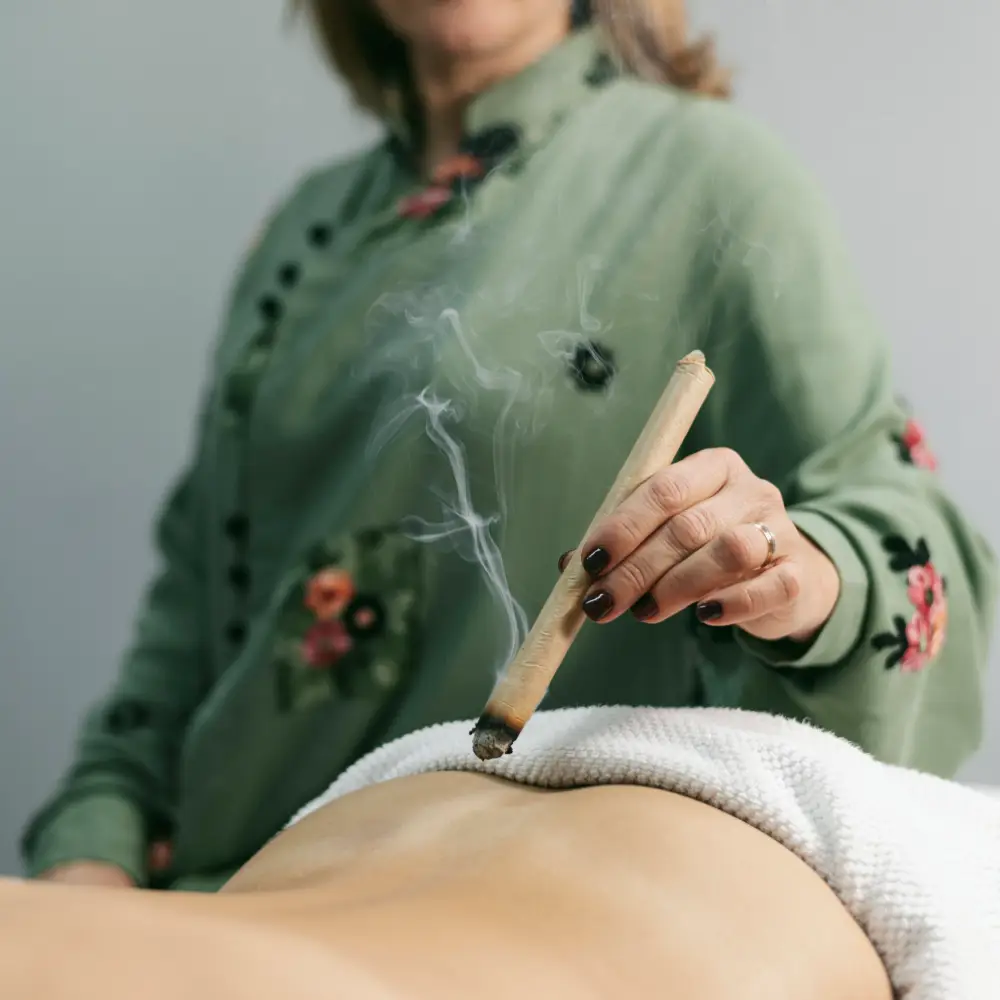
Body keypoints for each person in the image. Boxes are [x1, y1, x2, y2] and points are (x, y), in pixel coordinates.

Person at [21, 0, 997, 892]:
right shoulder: (303, 228)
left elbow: (901, 530)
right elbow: (193, 613)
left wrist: (800, 573)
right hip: (219, 895)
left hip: (500, 903)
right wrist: (92, 850)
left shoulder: (709, 178)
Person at [5, 710, 904, 1000]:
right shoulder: (268, 317)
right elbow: (147, 717)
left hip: (687, 865)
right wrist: (93, 880)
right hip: (245, 887)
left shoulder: (743, 303)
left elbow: (882, 553)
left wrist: (803, 576)